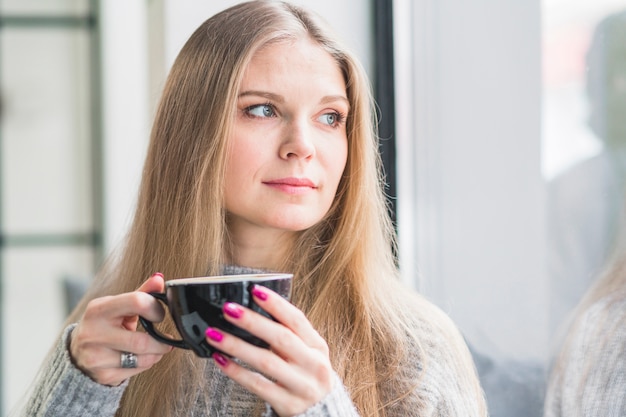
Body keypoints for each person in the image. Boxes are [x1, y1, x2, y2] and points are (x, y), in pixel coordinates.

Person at [20, 1, 487, 416]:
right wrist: (79, 386)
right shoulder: (113, 328)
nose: (302, 146)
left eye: (330, 118)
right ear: (191, 134)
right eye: (262, 109)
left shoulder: (416, 348)